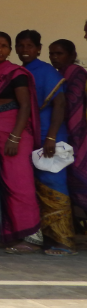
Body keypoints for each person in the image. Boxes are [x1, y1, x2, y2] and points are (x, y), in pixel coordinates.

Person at [16, 30, 75, 256]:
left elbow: (59, 104)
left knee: (55, 187)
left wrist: (51, 137)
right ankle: (45, 238)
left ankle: (65, 242)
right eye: (20, 46)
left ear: (38, 48)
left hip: (51, 136)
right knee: (38, 189)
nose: (24, 50)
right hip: (34, 136)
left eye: (29, 46)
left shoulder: (46, 71)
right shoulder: (21, 71)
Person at [0, 31, 42, 253]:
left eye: (4, 46)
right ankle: (9, 235)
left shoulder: (15, 73)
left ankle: (32, 238)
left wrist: (15, 137)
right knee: (1, 185)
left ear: (10, 50)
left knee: (20, 184)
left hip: (14, 135)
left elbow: (25, 106)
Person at [49, 39, 87, 217]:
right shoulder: (59, 74)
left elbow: (74, 106)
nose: (54, 57)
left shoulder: (75, 73)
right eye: (51, 54)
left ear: (72, 55)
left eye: (59, 53)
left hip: (78, 133)